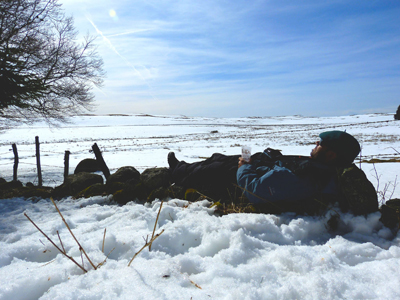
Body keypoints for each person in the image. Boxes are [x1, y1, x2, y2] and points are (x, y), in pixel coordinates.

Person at [168, 131, 377, 215]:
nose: (315, 144)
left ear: (331, 155)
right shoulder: (323, 168)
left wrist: (244, 165)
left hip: (244, 178)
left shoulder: (311, 177)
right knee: (218, 157)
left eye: (320, 143)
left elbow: (255, 190)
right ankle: (182, 166)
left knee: (214, 168)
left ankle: (177, 173)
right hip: (260, 166)